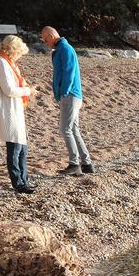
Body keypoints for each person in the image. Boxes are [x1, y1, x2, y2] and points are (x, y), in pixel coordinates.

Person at [41, 26, 94, 176]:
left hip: (70, 94)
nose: (46, 43)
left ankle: (74, 163)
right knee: (73, 129)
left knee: (65, 129)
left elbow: (69, 73)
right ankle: (87, 164)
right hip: (71, 95)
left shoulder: (65, 49)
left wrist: (63, 92)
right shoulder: (61, 50)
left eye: (46, 39)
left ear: (52, 36)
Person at [0, 34, 36, 194]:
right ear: (13, 51)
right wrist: (27, 90)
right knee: (15, 146)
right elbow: (8, 89)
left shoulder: (7, 63)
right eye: (19, 53)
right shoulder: (1, 63)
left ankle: (24, 178)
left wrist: (27, 90)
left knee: (22, 146)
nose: (19, 57)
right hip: (9, 109)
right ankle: (18, 182)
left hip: (15, 109)